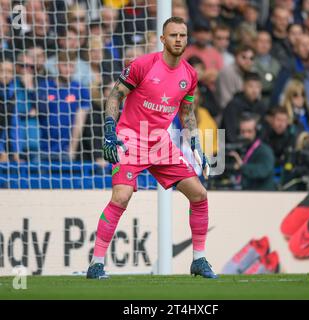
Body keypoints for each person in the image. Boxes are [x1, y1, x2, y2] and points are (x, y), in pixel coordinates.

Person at [86, 16, 217, 279]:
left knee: (199, 195)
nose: (178, 40)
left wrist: (195, 145)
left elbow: (187, 113)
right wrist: (110, 130)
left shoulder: (190, 75)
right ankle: (96, 263)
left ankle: (199, 260)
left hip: (160, 142)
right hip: (130, 138)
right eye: (173, 35)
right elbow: (115, 95)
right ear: (162, 39)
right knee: (121, 197)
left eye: (182, 35)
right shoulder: (143, 65)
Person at [228, 113, 276, 191]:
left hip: (263, 196)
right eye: (243, 132)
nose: (246, 135)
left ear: (257, 131)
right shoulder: (240, 149)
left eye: (249, 131)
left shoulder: (265, 151)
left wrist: (242, 167)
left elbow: (263, 171)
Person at [221, 72, 267, 143]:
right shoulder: (233, 105)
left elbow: (263, 132)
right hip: (230, 146)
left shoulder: (262, 106)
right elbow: (229, 133)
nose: (254, 90)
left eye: (257, 87)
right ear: (243, 87)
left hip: (254, 146)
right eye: (251, 86)